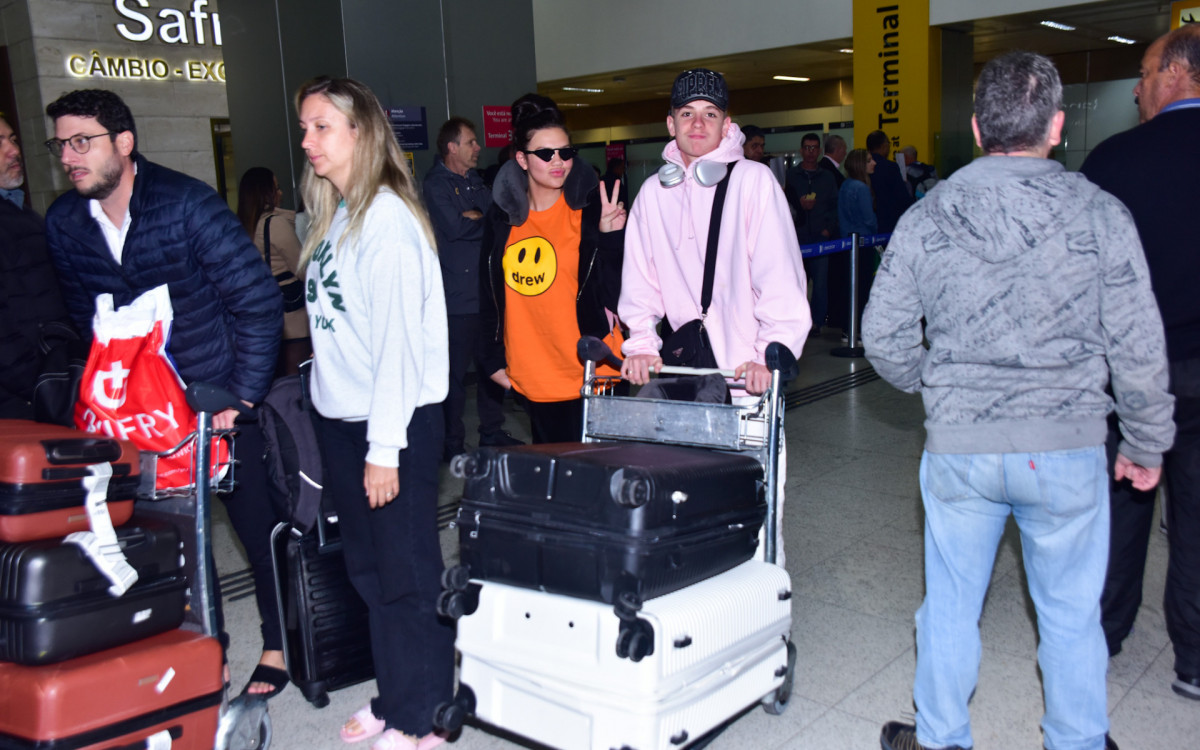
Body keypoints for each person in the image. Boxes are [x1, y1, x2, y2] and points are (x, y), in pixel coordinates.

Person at [863, 51, 1174, 750]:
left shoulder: (928, 215)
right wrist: (1147, 441)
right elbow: (1136, 340)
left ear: (976, 128)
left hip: (961, 451)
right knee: (1069, 614)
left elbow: (880, 334)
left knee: (948, 607)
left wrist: (935, 383)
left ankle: (941, 737)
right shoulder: (1102, 214)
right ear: (1057, 126)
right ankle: (1078, 738)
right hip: (1066, 448)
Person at [41, 89, 288, 698]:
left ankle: (282, 647)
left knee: (256, 531)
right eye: (61, 144)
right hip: (141, 416)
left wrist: (243, 397)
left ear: (123, 144)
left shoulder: (186, 205)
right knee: (174, 542)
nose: (69, 157)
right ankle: (208, 654)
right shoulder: (66, 222)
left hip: (219, 401)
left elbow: (257, 303)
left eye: (82, 142)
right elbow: (85, 319)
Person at [296, 76, 453, 750]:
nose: (308, 141)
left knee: (406, 576)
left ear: (362, 132)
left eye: (322, 126)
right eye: (304, 128)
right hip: (344, 425)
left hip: (392, 426)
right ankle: (399, 697)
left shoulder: (387, 219)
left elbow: (397, 347)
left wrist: (383, 447)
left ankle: (430, 717)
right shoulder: (332, 215)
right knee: (367, 573)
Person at [618, 68, 810, 564]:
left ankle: (766, 607)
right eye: (687, 113)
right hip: (686, 377)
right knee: (684, 499)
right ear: (670, 123)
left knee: (758, 498)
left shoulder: (754, 183)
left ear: (728, 124)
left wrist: (772, 354)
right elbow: (641, 283)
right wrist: (640, 344)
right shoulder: (652, 196)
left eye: (709, 113)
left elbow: (780, 278)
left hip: (746, 376)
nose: (697, 123)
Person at [1080, 23, 1200, 699]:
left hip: (1133, 373)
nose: (1139, 86)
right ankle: (1195, 661)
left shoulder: (1115, 162)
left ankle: (1102, 633)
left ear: (1178, 74)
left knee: (1123, 505)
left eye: (1149, 72)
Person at [480, 93, 626, 444]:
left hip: (593, 369)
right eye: (545, 154)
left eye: (565, 152)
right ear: (522, 159)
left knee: (599, 482)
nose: (558, 161)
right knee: (555, 483)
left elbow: (619, 293)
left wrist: (610, 239)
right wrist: (490, 359)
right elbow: (488, 294)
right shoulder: (503, 220)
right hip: (533, 371)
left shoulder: (591, 214)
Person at [423, 117, 519, 462]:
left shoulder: (475, 180)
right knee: (454, 378)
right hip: (457, 298)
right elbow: (455, 227)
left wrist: (477, 216)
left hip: (487, 293)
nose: (478, 148)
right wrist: (477, 218)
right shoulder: (436, 185)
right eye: (471, 142)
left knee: (492, 366)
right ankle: (451, 444)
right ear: (452, 147)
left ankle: (491, 432)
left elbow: (497, 218)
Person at [0, 112, 75, 420]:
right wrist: (40, 386)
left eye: (13, 139)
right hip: (24, 403)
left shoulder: (21, 214)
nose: (13, 150)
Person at [237, 166, 311, 376]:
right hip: (291, 316)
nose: (281, 193)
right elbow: (302, 268)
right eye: (276, 189)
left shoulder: (243, 225)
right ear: (265, 193)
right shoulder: (274, 224)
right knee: (295, 382)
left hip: (261, 315)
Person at [785, 132, 838, 334]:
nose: (810, 152)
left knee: (820, 283)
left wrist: (828, 229)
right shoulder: (791, 176)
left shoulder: (827, 177)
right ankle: (796, 321)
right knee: (795, 283)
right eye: (807, 148)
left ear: (820, 151)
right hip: (795, 238)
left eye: (814, 148)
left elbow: (835, 206)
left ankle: (817, 322)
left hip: (820, 237)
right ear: (801, 150)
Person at [836, 148, 877, 327]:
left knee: (851, 288)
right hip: (863, 242)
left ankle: (849, 328)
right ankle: (858, 328)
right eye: (869, 160)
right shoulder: (861, 188)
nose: (873, 163)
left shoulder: (846, 184)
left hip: (847, 243)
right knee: (862, 287)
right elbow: (869, 219)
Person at [865, 128, 913, 233]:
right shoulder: (890, 167)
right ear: (884, 146)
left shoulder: (861, 166)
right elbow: (902, 198)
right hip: (889, 222)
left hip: (867, 224)